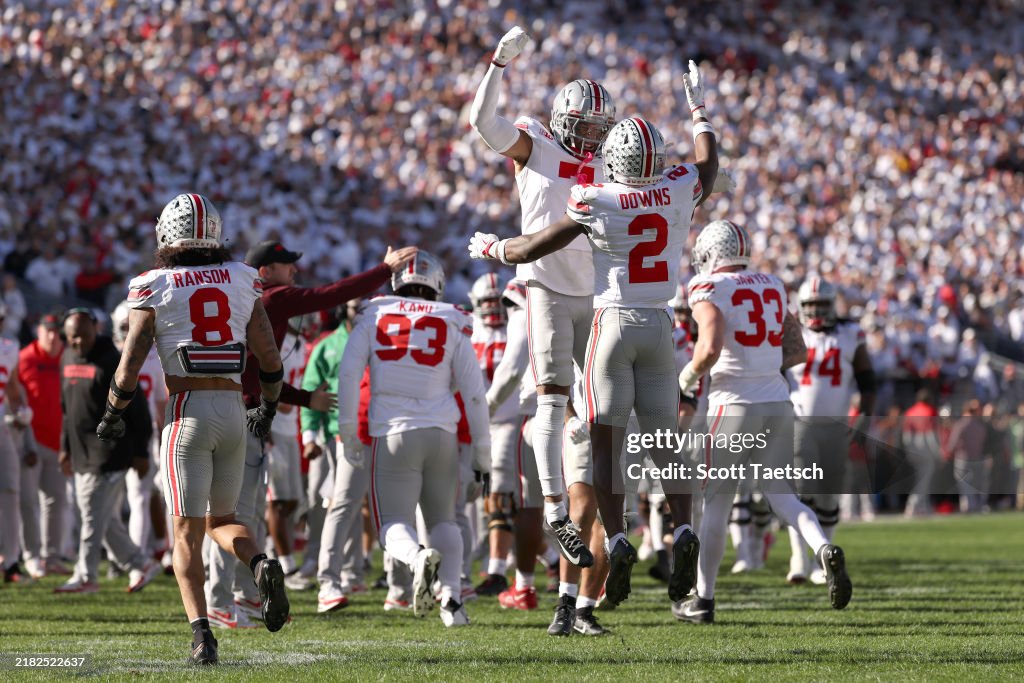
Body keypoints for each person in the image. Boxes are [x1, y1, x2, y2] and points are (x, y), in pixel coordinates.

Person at [470, 105, 717, 609]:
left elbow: (535, 246)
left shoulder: (595, 197)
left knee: (604, 442)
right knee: (665, 439)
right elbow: (707, 167)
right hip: (659, 324)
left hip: (612, 324)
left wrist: (495, 250)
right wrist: (699, 114)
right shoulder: (677, 188)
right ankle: (684, 527)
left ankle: (618, 536)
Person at [97, 193, 288, 664]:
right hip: (233, 409)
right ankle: (259, 563)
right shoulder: (242, 277)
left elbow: (130, 364)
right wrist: (267, 406)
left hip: (187, 412)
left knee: (185, 533)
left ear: (167, 233)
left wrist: (113, 413)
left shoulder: (154, 283)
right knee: (223, 520)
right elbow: (269, 357)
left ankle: (203, 637)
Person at [470, 25, 615, 636]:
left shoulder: (609, 158)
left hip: (600, 293)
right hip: (547, 287)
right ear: (561, 120)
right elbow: (484, 122)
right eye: (585, 125)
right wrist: (498, 64)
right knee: (551, 398)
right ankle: (554, 508)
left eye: (601, 128)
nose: (594, 137)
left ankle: (585, 577)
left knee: (599, 415)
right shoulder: (537, 143)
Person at [674, 220, 853, 624]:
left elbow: (709, 347)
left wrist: (685, 380)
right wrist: (761, 366)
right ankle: (823, 548)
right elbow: (798, 349)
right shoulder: (771, 283)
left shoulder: (708, 286)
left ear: (711, 253)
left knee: (716, 501)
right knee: (783, 496)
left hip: (733, 405)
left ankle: (704, 599)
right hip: (777, 401)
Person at [336, 251, 490, 628]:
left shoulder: (374, 315)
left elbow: (349, 376)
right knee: (444, 521)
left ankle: (416, 558)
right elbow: (474, 394)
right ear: (437, 283)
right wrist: (482, 454)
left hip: (391, 433)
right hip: (442, 433)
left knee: (393, 523)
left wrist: (348, 432)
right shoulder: (451, 319)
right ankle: (452, 601)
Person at [55, 309, 158, 594]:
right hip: (80, 452)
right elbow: (67, 409)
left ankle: (86, 576)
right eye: (72, 337)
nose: (78, 342)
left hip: (110, 451)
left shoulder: (113, 360)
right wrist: (65, 448)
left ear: (95, 329)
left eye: (83, 335)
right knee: (102, 518)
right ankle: (140, 563)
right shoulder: (66, 357)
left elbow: (138, 411)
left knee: (90, 516)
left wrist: (141, 452)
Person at [784, 276, 876, 584]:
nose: (816, 311)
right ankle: (799, 556)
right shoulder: (791, 332)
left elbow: (867, 379)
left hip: (837, 426)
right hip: (800, 422)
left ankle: (822, 561)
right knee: (801, 489)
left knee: (829, 495)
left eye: (821, 304)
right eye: (810, 305)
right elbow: (776, 375)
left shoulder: (850, 333)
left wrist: (865, 416)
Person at [466, 274, 521, 598]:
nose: (492, 307)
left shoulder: (517, 327)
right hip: (476, 424)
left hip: (509, 420)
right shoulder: (467, 329)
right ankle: (550, 560)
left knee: (499, 495)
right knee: (479, 496)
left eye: (496, 300)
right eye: (486, 301)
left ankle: (498, 569)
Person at [111, 300, 168, 559]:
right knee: (134, 498)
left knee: (136, 497)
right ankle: (131, 555)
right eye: (126, 326)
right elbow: (160, 406)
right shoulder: (154, 358)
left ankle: (134, 556)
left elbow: (160, 405)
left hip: (132, 433)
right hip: (135, 434)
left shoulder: (111, 356)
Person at [17, 312, 70, 578]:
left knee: (55, 501)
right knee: (27, 501)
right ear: (38, 331)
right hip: (31, 440)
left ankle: (52, 556)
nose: (52, 335)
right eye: (47, 330)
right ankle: (31, 555)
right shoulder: (25, 358)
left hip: (59, 440)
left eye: (56, 331)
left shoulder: (68, 357)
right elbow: (15, 395)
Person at [0, 301, 33, 583]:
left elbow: (11, 387)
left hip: (2, 428)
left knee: (11, 491)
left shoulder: (9, 348)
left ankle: (11, 561)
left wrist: (20, 408)